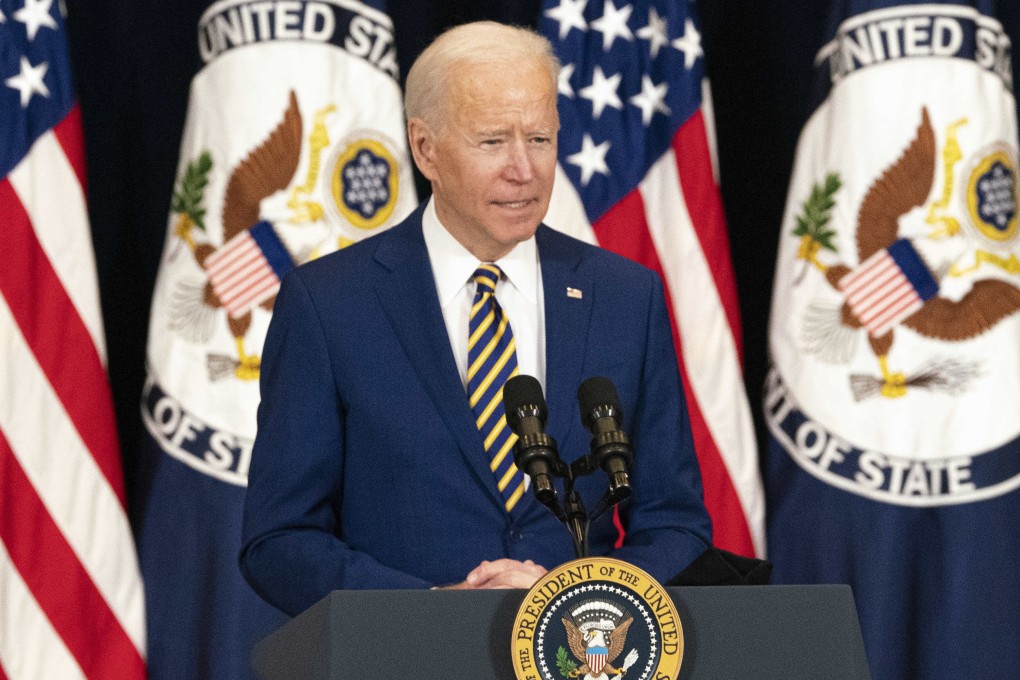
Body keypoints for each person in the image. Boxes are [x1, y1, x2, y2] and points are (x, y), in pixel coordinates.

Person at [240, 21, 711, 618]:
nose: (524, 169)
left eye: (539, 139)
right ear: (425, 148)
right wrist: (434, 609)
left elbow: (674, 523)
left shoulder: (624, 297)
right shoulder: (328, 304)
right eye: (493, 142)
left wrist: (577, 600)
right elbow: (279, 541)